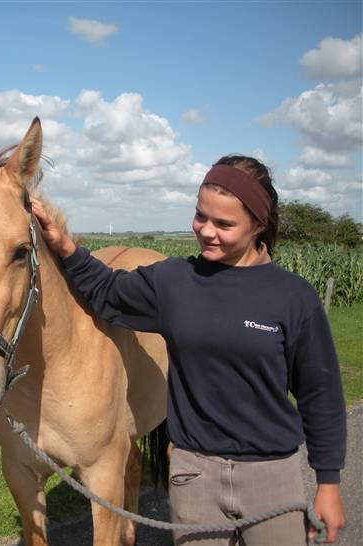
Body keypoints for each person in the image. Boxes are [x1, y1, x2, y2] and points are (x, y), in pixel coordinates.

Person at [31, 155, 346, 546]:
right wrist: (63, 245)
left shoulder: (293, 297)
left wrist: (328, 484)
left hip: (272, 478)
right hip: (194, 476)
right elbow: (107, 291)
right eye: (201, 217)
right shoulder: (175, 282)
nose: (207, 231)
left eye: (224, 224)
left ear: (259, 225)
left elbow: (321, 395)